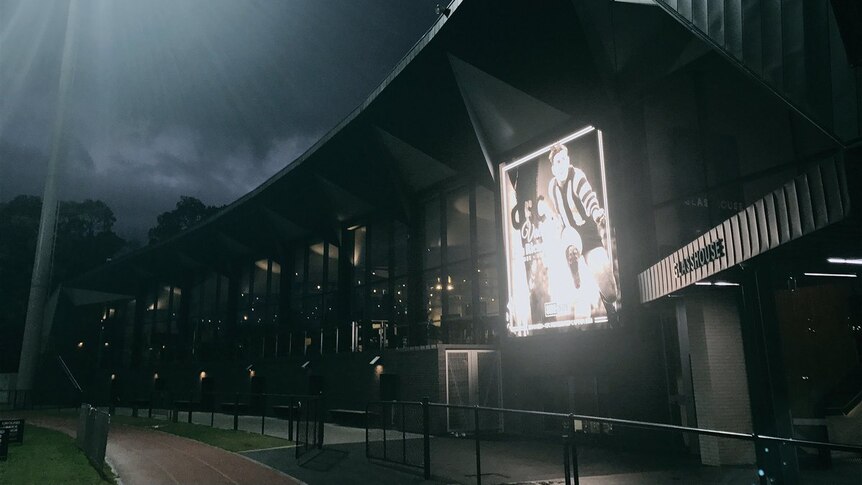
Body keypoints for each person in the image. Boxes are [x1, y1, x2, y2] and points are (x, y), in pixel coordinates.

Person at [546, 143, 618, 314]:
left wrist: (597, 213)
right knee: (569, 247)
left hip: (589, 234)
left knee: (610, 291)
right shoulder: (552, 188)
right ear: (553, 168)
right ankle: (574, 269)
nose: (561, 164)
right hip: (571, 234)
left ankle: (610, 306)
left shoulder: (577, 177)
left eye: (564, 160)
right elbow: (559, 215)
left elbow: (589, 198)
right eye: (557, 162)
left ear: (568, 161)